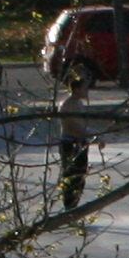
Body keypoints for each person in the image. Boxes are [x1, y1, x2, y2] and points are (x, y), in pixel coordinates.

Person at [55, 78, 92, 215]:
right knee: (71, 176)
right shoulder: (67, 104)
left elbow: (82, 124)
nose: (87, 91)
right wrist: (91, 135)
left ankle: (74, 206)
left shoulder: (79, 103)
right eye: (84, 88)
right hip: (71, 143)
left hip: (81, 142)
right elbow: (71, 125)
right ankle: (69, 208)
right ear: (76, 89)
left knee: (81, 176)